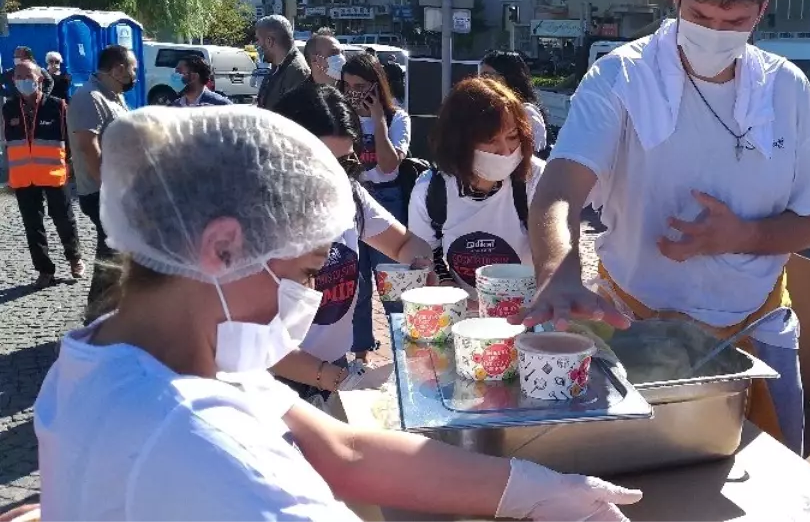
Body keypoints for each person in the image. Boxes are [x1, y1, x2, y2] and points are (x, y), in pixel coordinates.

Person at [33, 105, 640, 522]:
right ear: (221, 249)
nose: (311, 295)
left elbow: (342, 451)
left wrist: (537, 490)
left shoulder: (123, 356)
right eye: (304, 273)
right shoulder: (210, 450)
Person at [516, 0, 810, 455]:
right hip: (637, 328)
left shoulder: (787, 90)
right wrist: (558, 268)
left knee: (776, 486)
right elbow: (559, 189)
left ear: (762, 9)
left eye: (734, 21)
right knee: (648, 480)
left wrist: (746, 236)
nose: (715, 32)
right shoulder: (621, 77)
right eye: (700, 17)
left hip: (757, 328)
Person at [271, 83, 426, 398]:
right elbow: (253, 340)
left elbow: (403, 245)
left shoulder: (351, 197)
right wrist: (335, 378)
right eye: (319, 165)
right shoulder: (259, 219)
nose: (334, 178)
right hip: (276, 386)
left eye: (346, 164)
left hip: (333, 371)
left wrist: (422, 265)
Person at [409, 77, 543, 290]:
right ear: (459, 141)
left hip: (527, 312)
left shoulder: (536, 179)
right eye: (490, 140)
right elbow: (424, 252)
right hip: (463, 316)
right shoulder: (431, 191)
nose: (505, 151)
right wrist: (446, 286)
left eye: (512, 137)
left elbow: (555, 250)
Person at [335, 54, 413, 362]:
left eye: (361, 86)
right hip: (351, 198)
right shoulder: (340, 116)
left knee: (392, 280)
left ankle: (405, 353)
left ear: (376, 86)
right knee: (357, 282)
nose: (354, 92)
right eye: (348, 85)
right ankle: (361, 354)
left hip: (386, 198)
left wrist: (378, 118)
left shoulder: (398, 119)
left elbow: (390, 164)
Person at [3, 60, 84, 288]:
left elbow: (71, 138)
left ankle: (74, 258)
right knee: (32, 225)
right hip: (22, 176)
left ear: (39, 78)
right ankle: (44, 270)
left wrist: (72, 164)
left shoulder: (57, 106)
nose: (21, 80)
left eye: (27, 75)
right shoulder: (8, 108)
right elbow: (7, 142)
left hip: (53, 172)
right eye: (17, 76)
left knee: (63, 218)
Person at [68, 45, 133, 319]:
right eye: (132, 69)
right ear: (118, 69)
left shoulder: (113, 96)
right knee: (111, 260)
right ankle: (96, 321)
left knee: (118, 256)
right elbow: (87, 146)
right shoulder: (89, 97)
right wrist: (109, 189)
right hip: (102, 192)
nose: (134, 75)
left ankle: (111, 316)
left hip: (117, 190)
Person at [480, 50, 549, 156]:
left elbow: (534, 154)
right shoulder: (486, 108)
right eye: (480, 76)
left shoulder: (526, 112)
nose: (481, 81)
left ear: (506, 78)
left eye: (487, 76)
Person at [255, 14, 312, 111]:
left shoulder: (297, 72)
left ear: (269, 41)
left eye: (258, 39)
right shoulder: (277, 68)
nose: (257, 45)